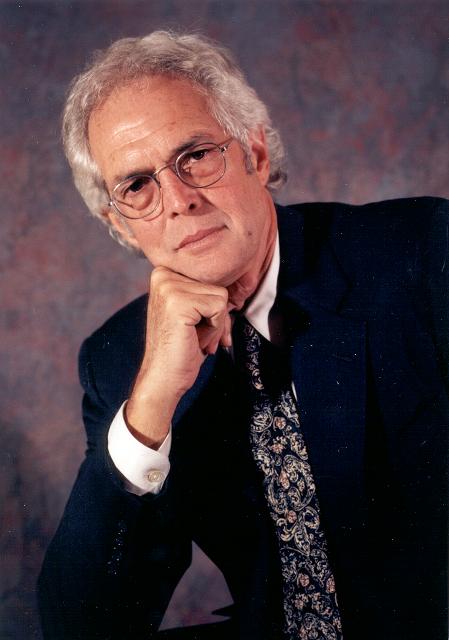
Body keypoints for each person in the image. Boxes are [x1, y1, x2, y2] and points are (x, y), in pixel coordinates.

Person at [37, 31, 448, 640]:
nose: (179, 200)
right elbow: (83, 627)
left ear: (255, 151)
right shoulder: (118, 358)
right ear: (119, 224)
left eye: (197, 155)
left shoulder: (421, 253)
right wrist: (151, 404)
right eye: (137, 186)